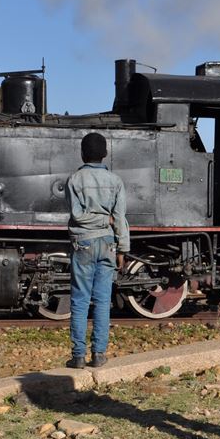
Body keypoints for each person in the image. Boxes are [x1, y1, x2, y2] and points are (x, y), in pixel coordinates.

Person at [64, 132, 130, 369]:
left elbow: (77, 215)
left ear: (82, 153)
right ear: (105, 154)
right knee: (102, 301)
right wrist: (122, 248)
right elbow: (120, 218)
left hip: (83, 243)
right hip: (108, 243)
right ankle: (99, 355)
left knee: (80, 300)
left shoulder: (74, 180)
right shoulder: (116, 181)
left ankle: (79, 356)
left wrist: (95, 222)